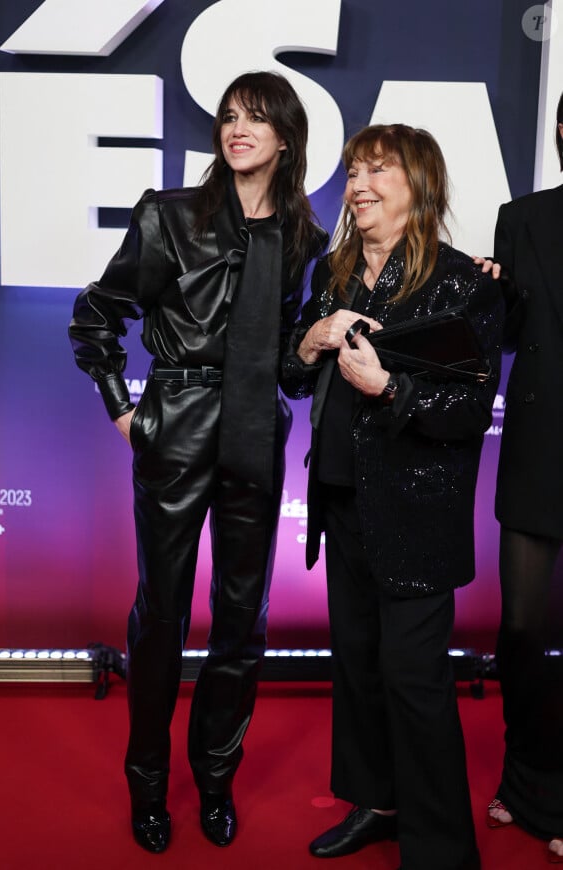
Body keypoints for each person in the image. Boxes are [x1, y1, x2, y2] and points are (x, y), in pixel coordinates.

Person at [69, 70, 327, 854]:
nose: (238, 128)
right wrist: (125, 408)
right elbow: (95, 316)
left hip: (257, 431)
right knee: (162, 619)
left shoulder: (307, 238)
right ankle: (147, 787)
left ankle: (215, 783)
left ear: (286, 138)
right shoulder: (170, 215)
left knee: (242, 622)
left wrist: (310, 348)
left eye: (257, 119)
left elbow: (287, 368)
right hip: (175, 424)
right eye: (228, 117)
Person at [282, 123, 504, 870]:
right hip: (341, 501)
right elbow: (291, 371)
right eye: (352, 172)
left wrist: (390, 387)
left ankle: (439, 848)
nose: (359, 186)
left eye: (379, 172)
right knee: (357, 664)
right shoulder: (334, 272)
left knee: (415, 680)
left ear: (422, 187)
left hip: (417, 514)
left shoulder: (462, 282)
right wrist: (313, 338)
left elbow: (471, 411)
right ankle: (375, 803)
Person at [486, 92, 563, 864]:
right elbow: (503, 335)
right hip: (541, 447)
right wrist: (490, 294)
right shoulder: (524, 216)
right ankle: (526, 775)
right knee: (521, 628)